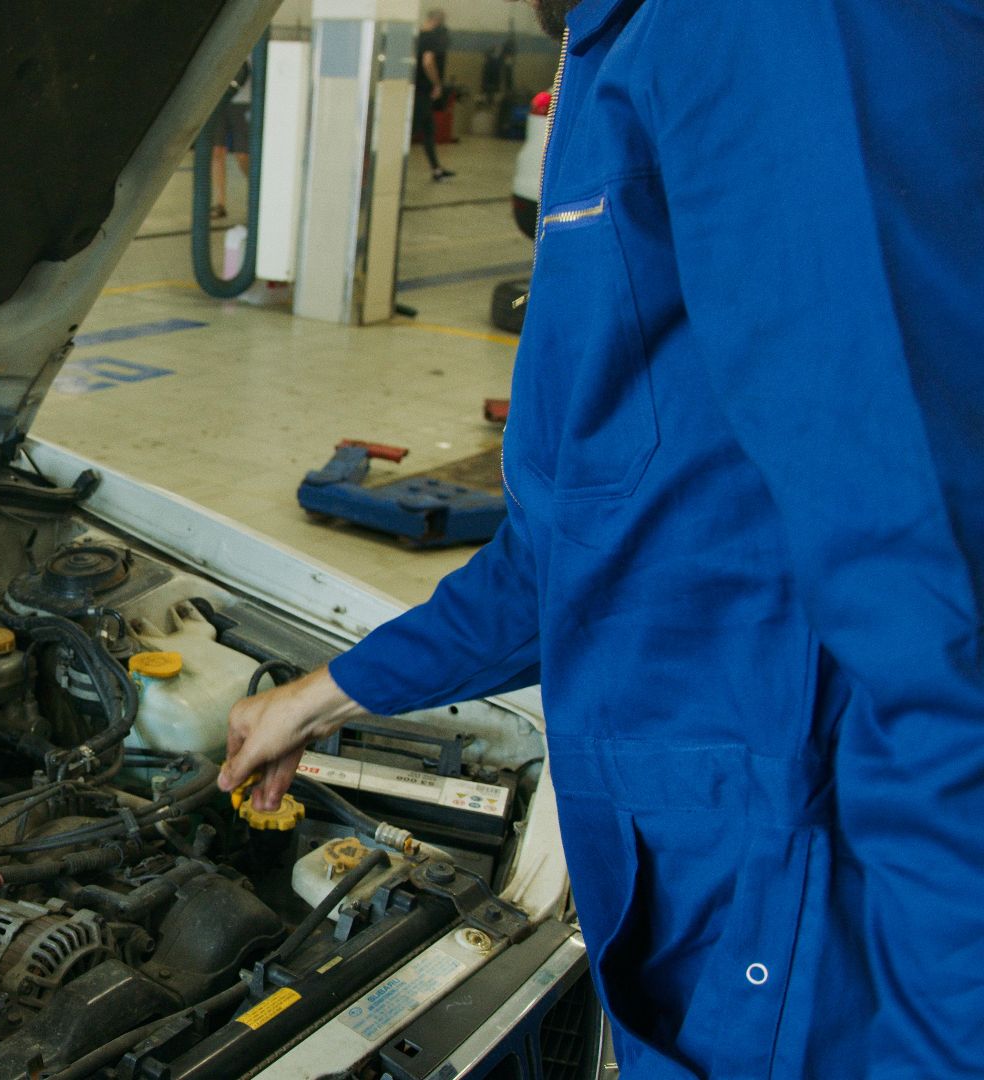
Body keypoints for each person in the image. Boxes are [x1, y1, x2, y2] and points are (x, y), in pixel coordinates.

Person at [221, 0, 984, 1076]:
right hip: (690, 878)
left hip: (807, 905)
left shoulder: (777, 25)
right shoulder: (612, 38)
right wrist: (325, 695)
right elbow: (569, 539)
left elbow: (941, 615)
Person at [413, 9, 454, 181]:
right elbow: (428, 61)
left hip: (418, 89)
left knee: (429, 130)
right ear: (437, 20)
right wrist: (436, 83)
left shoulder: (417, 35)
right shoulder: (431, 37)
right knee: (414, 128)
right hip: (422, 91)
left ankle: (436, 169)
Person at [209, 63, 251, 220]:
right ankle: (220, 204)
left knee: (242, 155)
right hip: (218, 99)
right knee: (217, 151)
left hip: (243, 99)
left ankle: (255, 192)